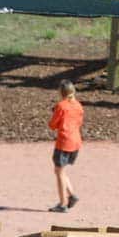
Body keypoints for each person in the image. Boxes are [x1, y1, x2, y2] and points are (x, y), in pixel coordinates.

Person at [46, 82, 83, 213]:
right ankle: (71, 195)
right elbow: (79, 122)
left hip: (64, 141)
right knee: (60, 170)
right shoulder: (78, 105)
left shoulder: (61, 106)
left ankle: (63, 203)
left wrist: (55, 112)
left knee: (59, 172)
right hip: (76, 140)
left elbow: (52, 125)